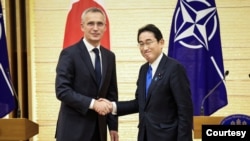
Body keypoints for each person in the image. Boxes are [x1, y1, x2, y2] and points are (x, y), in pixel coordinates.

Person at [102, 24, 193, 141]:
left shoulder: (174, 68)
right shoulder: (143, 70)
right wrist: (112, 107)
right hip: (145, 136)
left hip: (168, 137)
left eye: (149, 42)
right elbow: (139, 103)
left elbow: (185, 110)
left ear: (161, 43)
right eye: (141, 44)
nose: (145, 48)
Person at [55, 7, 118, 141]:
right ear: (82, 26)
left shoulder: (109, 57)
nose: (95, 28)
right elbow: (62, 90)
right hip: (73, 132)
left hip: (99, 132)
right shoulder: (69, 54)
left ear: (105, 27)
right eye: (90, 23)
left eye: (100, 24)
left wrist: (113, 126)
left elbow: (111, 93)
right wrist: (93, 104)